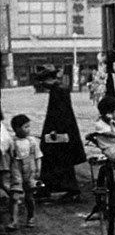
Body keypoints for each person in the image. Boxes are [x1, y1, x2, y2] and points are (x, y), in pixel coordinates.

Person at [38, 67, 86, 203]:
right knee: (60, 160)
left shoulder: (58, 90)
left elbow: (60, 113)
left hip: (59, 130)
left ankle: (63, 188)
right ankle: (55, 188)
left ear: (48, 79)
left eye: (43, 81)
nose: (43, 85)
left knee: (56, 159)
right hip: (62, 129)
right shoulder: (60, 88)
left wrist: (55, 130)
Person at [3, 114, 42, 229]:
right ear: (16, 129)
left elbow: (38, 156)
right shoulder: (11, 142)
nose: (28, 129)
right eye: (26, 127)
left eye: (29, 126)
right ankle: (14, 221)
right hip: (16, 171)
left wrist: (38, 169)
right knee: (14, 196)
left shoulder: (32, 141)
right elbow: (7, 157)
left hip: (30, 171)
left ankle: (31, 217)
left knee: (29, 196)